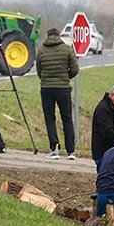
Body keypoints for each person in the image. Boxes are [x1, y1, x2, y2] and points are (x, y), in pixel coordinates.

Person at [36, 27, 79, 160]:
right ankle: (71, 151)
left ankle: (54, 149)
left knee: (50, 118)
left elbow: (39, 70)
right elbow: (75, 69)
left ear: (47, 36)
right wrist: (66, 77)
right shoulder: (67, 49)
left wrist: (46, 80)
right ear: (59, 35)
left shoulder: (41, 51)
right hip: (63, 88)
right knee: (67, 118)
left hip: (46, 89)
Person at [91, 84, 114, 171]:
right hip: (103, 151)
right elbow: (107, 130)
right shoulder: (103, 109)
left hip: (112, 150)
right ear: (112, 95)